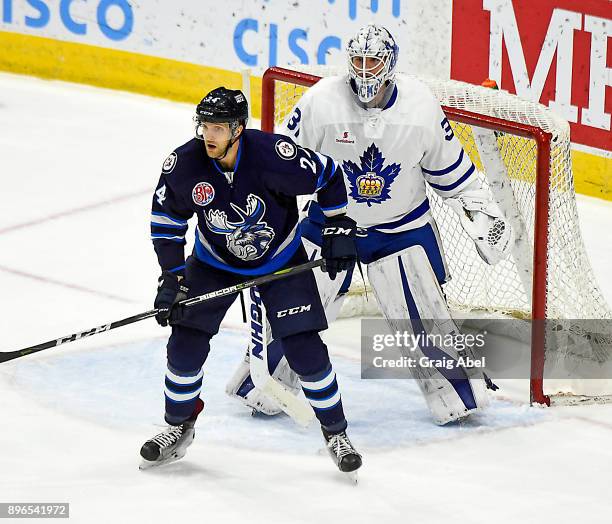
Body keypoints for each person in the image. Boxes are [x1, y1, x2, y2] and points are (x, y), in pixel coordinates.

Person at [228, 24, 513, 425]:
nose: (364, 70)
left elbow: (453, 173)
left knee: (423, 321)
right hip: (330, 224)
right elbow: (280, 163)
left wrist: (481, 211)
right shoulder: (321, 102)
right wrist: (258, 215)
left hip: (400, 228)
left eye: (373, 61)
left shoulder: (420, 106)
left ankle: (457, 393)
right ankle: (264, 387)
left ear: (390, 63)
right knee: (293, 309)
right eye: (358, 61)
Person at [140, 87, 362, 476]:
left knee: (304, 349)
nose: (209, 135)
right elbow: (167, 223)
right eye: (204, 125)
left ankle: (336, 433)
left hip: (279, 260)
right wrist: (172, 278)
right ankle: (178, 426)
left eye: (218, 127)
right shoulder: (184, 165)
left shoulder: (274, 156)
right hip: (213, 263)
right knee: (185, 345)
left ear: (238, 128)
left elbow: (330, 175)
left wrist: (338, 223)